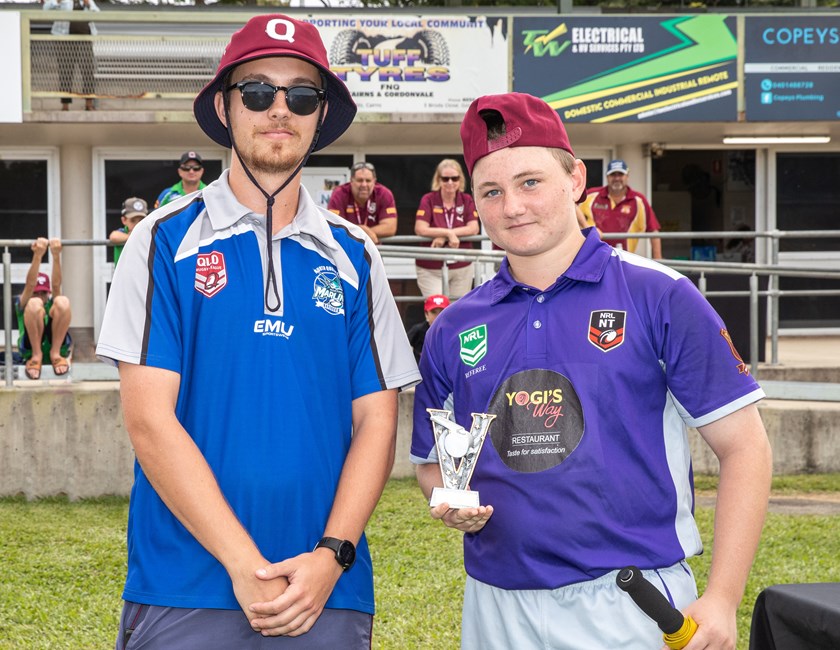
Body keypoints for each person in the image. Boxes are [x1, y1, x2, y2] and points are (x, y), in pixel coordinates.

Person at [96, 14, 419, 649]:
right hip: (186, 585)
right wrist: (244, 565)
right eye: (256, 91)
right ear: (224, 106)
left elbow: (377, 421)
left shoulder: (356, 253)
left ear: (320, 116)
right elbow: (149, 420)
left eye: (301, 95)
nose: (279, 109)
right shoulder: (161, 239)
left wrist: (332, 555)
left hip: (327, 591)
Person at [410, 92, 772, 650]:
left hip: (630, 599)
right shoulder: (454, 326)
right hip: (495, 601)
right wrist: (449, 501)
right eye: (492, 191)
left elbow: (746, 447)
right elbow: (433, 465)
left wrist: (723, 598)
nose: (513, 206)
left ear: (576, 179)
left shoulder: (660, 295)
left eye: (530, 182)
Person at [413, 159, 480, 299]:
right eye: (445, 179)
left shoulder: (466, 199)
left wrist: (446, 235)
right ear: (438, 180)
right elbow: (420, 228)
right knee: (436, 308)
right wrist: (448, 233)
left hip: (461, 265)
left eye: (454, 178)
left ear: (460, 180)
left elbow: (474, 228)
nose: (450, 182)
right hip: (431, 266)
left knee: (458, 309)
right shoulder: (428, 199)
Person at [580, 159, 663, 259]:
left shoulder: (638, 201)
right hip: (594, 257)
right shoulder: (592, 195)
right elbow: (572, 208)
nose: (617, 178)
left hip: (624, 260)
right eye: (613, 174)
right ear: (607, 177)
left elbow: (653, 231)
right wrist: (588, 227)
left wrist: (658, 259)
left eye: (620, 174)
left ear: (627, 176)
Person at [16, 237, 72, 379]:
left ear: (48, 293)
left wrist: (56, 255)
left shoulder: (51, 303)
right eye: (36, 293)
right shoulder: (25, 303)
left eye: (43, 293)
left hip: (54, 345)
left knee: (63, 301)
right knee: (34, 304)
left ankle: (56, 353)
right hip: (30, 349)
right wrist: (37, 255)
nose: (40, 296)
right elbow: (30, 285)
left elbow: (56, 286)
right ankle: (36, 355)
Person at [43, 0, 99, 111]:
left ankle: (89, 103)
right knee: (65, 72)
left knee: (88, 71)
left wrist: (88, 4)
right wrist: (57, 2)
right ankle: (65, 105)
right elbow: (45, 8)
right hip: (64, 38)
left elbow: (97, 13)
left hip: (85, 39)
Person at [327, 161, 397, 244]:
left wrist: (363, 232)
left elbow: (390, 227)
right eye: (360, 180)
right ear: (351, 181)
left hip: (374, 249)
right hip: (346, 248)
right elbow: (333, 226)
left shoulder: (384, 194)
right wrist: (363, 231)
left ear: (374, 181)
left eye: (368, 180)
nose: (364, 185)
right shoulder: (339, 194)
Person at [407, 293, 449, 363]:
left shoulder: (453, 331)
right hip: (420, 368)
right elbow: (402, 345)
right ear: (426, 314)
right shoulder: (418, 330)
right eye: (434, 312)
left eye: (442, 312)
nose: (438, 316)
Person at [109, 196, 148, 267]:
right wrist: (134, 236)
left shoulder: (148, 233)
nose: (137, 224)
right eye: (133, 221)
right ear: (124, 220)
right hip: (123, 273)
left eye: (141, 220)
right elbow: (114, 237)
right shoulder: (123, 232)